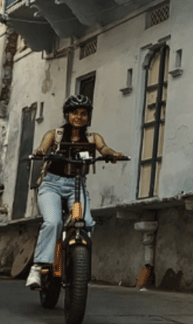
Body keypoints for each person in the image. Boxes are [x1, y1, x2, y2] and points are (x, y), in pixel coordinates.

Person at [25, 95, 122, 289]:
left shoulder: (93, 138)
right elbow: (43, 148)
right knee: (53, 222)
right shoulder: (55, 135)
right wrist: (40, 152)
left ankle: (75, 259)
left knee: (85, 223)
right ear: (67, 115)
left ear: (88, 117)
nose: (79, 117)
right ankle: (38, 267)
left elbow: (104, 148)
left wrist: (112, 154)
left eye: (83, 113)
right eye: (75, 113)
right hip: (51, 185)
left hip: (76, 186)